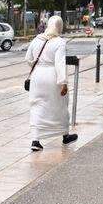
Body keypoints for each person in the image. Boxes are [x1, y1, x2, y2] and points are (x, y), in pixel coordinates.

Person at [26, 15, 79, 151]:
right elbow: (60, 63)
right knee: (60, 105)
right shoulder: (59, 42)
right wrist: (63, 82)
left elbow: (28, 58)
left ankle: (35, 140)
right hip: (52, 77)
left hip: (37, 77)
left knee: (37, 105)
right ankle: (65, 135)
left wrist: (38, 67)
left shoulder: (37, 39)